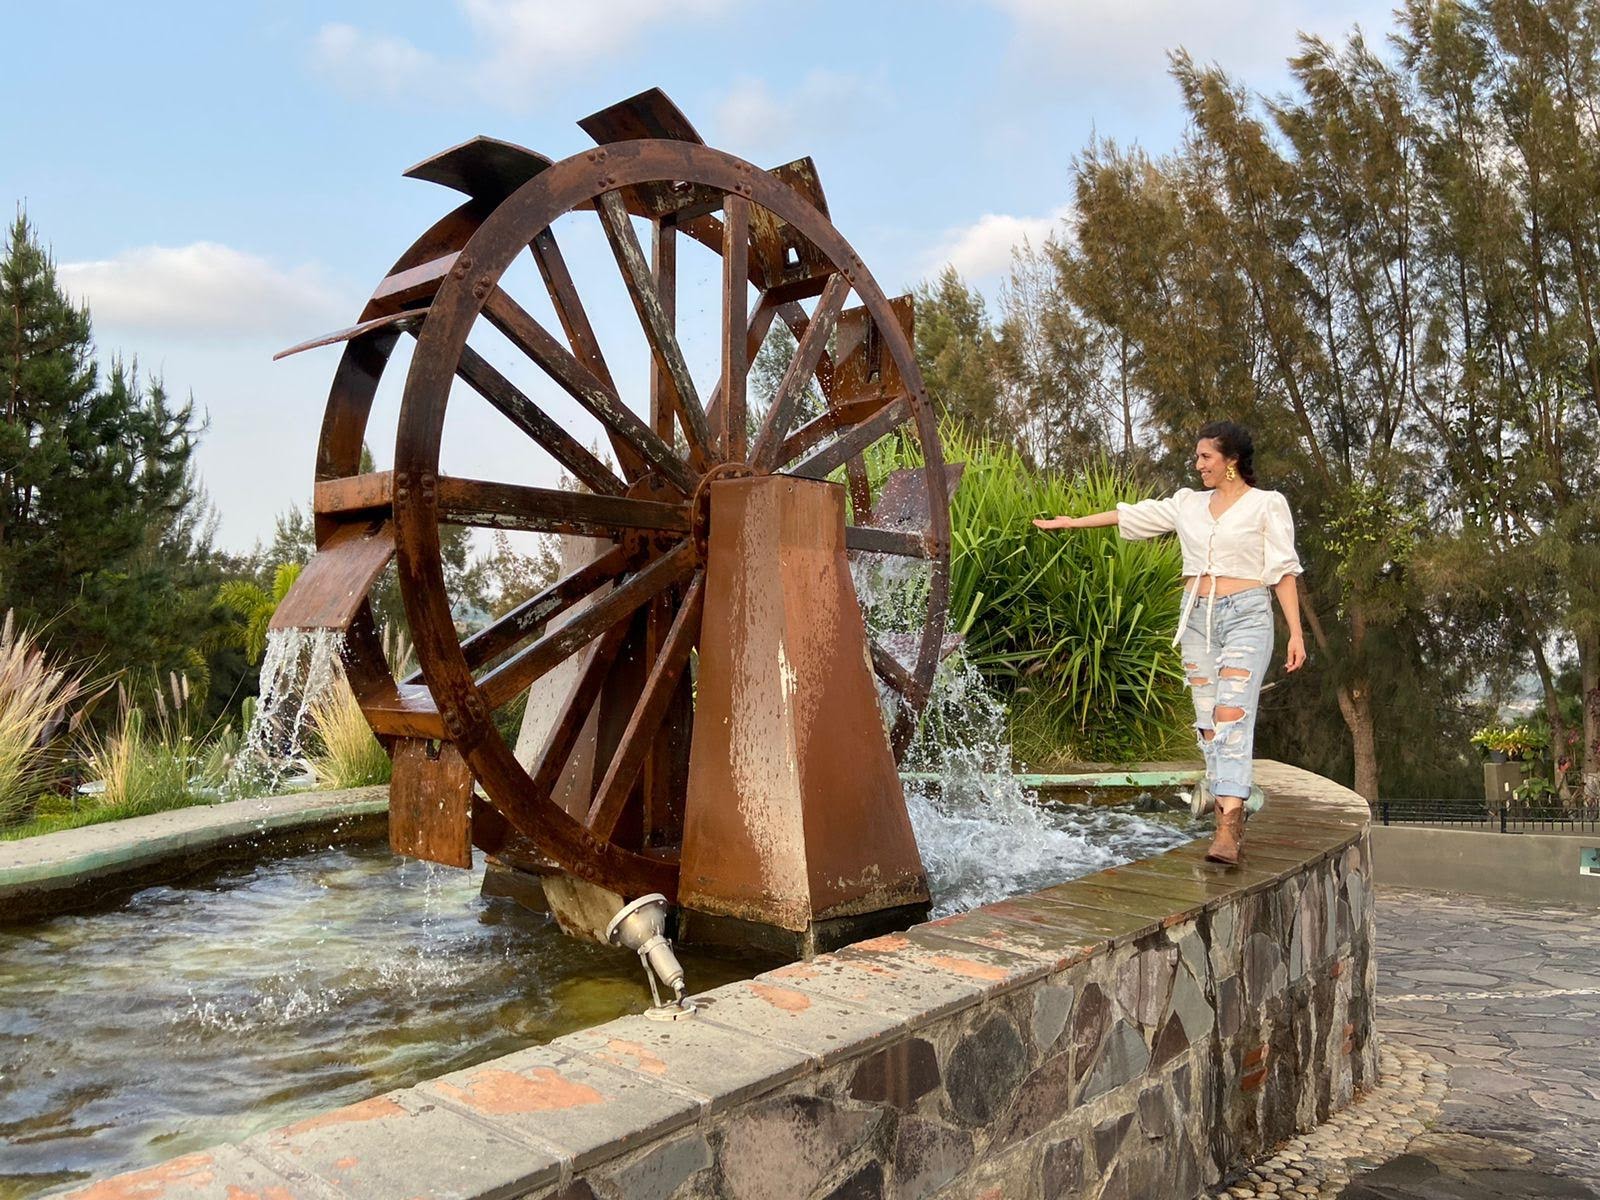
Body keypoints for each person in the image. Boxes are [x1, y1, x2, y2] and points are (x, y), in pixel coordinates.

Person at [1032, 421, 1306, 864]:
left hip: (1247, 618)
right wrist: (1072, 524)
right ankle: (1226, 804)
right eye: (1197, 457)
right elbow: (1131, 515)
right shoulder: (1188, 504)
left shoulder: (1267, 506)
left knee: (1231, 716)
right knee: (1208, 724)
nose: (1198, 465)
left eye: (1206, 458)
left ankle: (1227, 828)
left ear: (1231, 461)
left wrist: (1295, 633)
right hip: (1195, 620)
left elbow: (1283, 572)